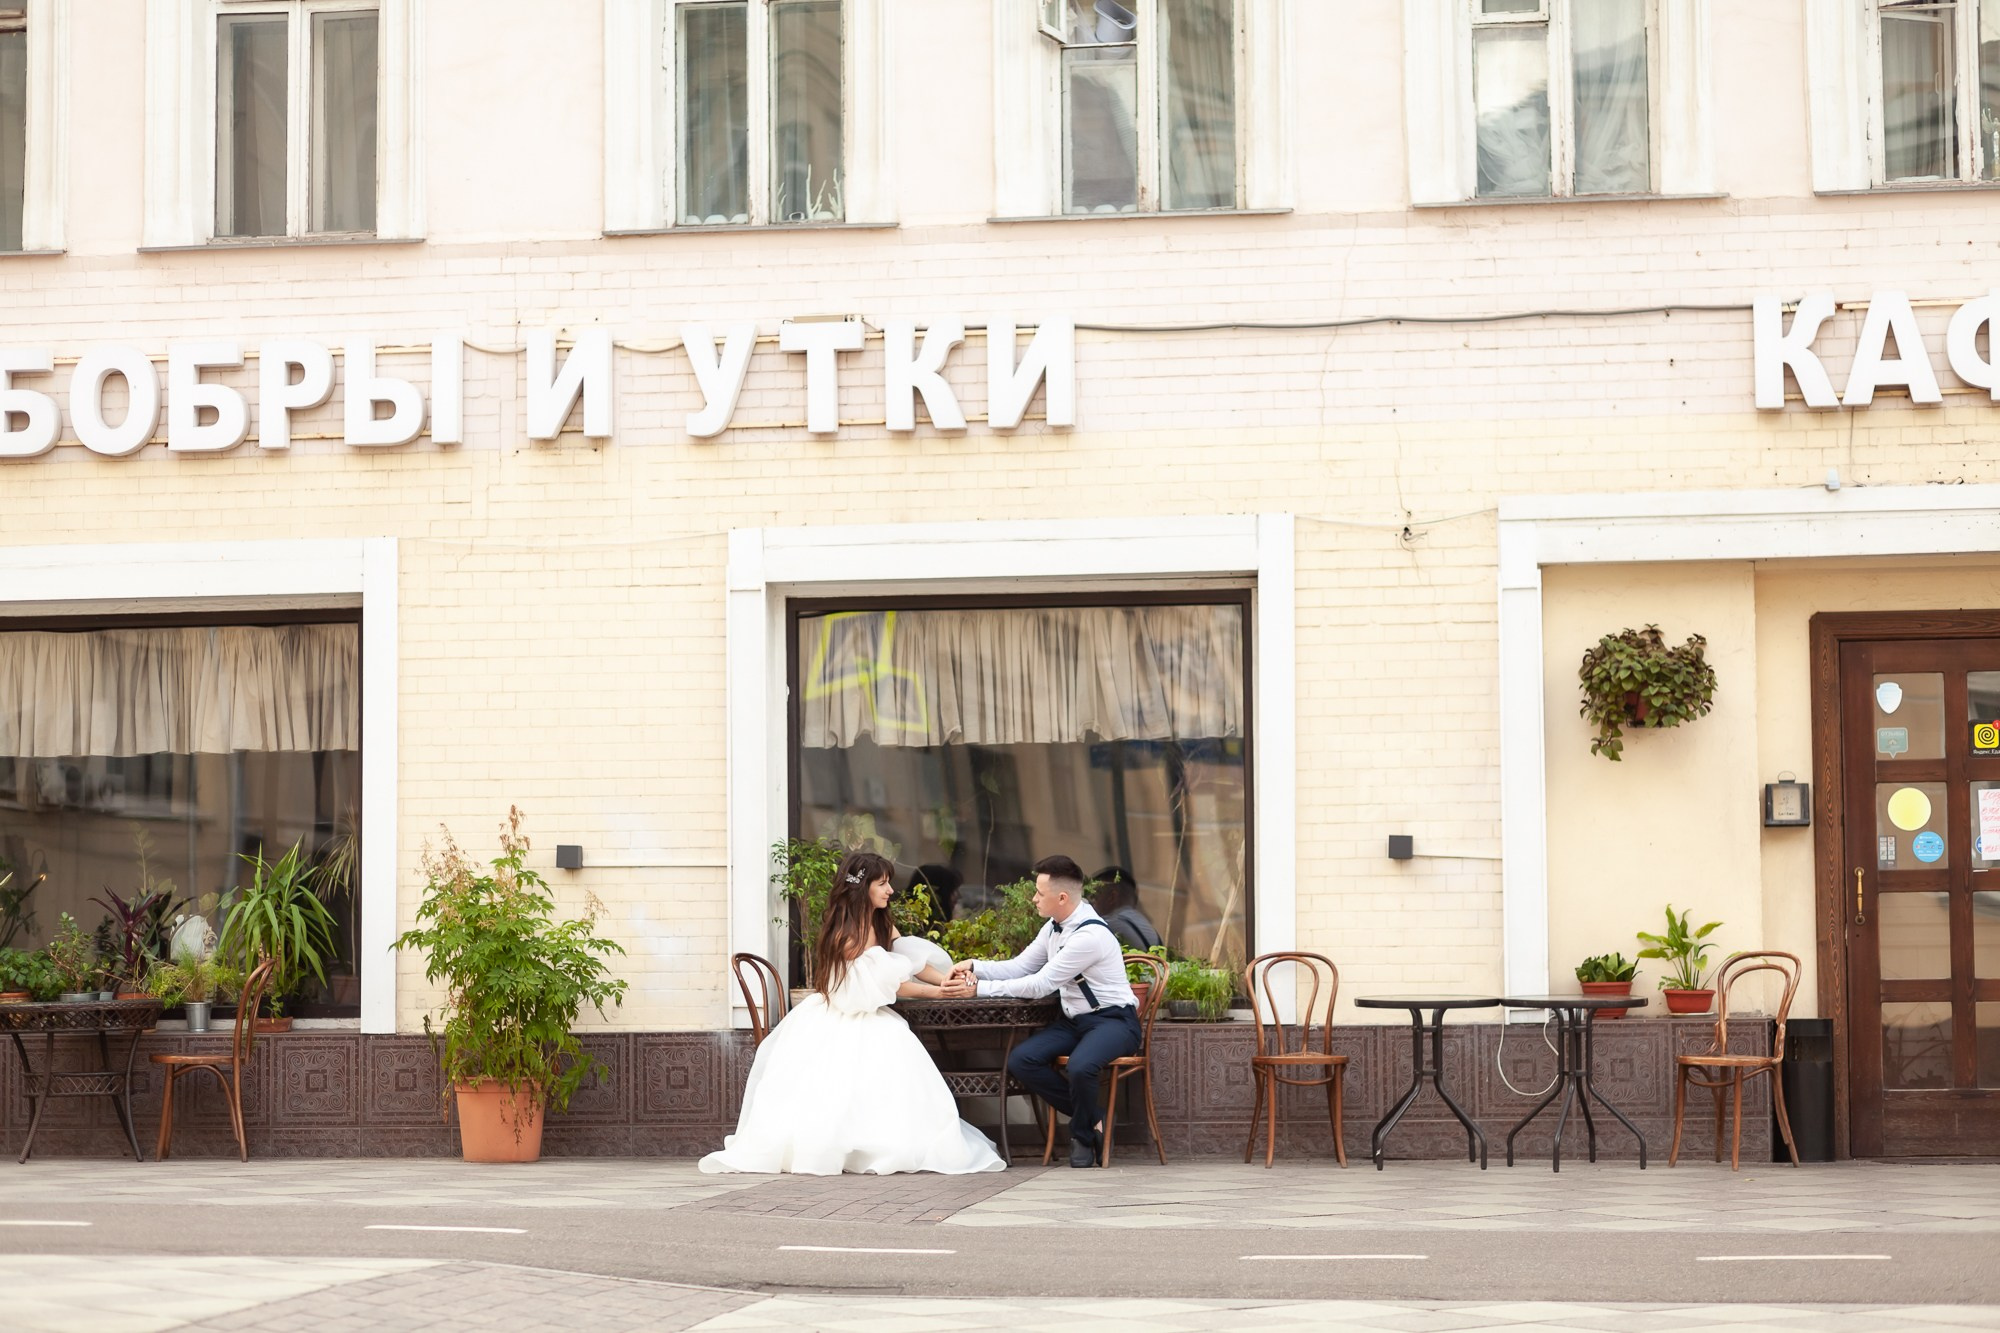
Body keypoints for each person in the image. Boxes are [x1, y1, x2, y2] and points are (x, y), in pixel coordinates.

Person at [700, 851, 1004, 1176]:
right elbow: (889, 981)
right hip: (841, 1014)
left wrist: (945, 980)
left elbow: (913, 962)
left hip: (870, 1012)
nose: (890, 890)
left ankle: (881, 1142)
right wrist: (939, 993)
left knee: (895, 1059)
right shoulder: (846, 933)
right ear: (863, 887)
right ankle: (851, 1147)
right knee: (856, 1069)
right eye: (882, 883)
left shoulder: (881, 921)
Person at [949, 854, 1140, 1169]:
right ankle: (1094, 1116)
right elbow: (1021, 966)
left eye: (1039, 893)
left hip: (1114, 1022)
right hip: (1075, 1022)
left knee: (1081, 1067)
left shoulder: (1090, 936)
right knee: (1022, 1060)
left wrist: (978, 989)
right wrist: (974, 966)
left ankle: (1082, 1136)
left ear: (1062, 897)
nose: (1034, 899)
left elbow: (1040, 984)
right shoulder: (1053, 927)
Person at [1090, 864, 1161, 951]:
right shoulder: (1148, 928)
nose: (1091, 904)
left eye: (1094, 896)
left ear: (1112, 897)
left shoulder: (1110, 924)